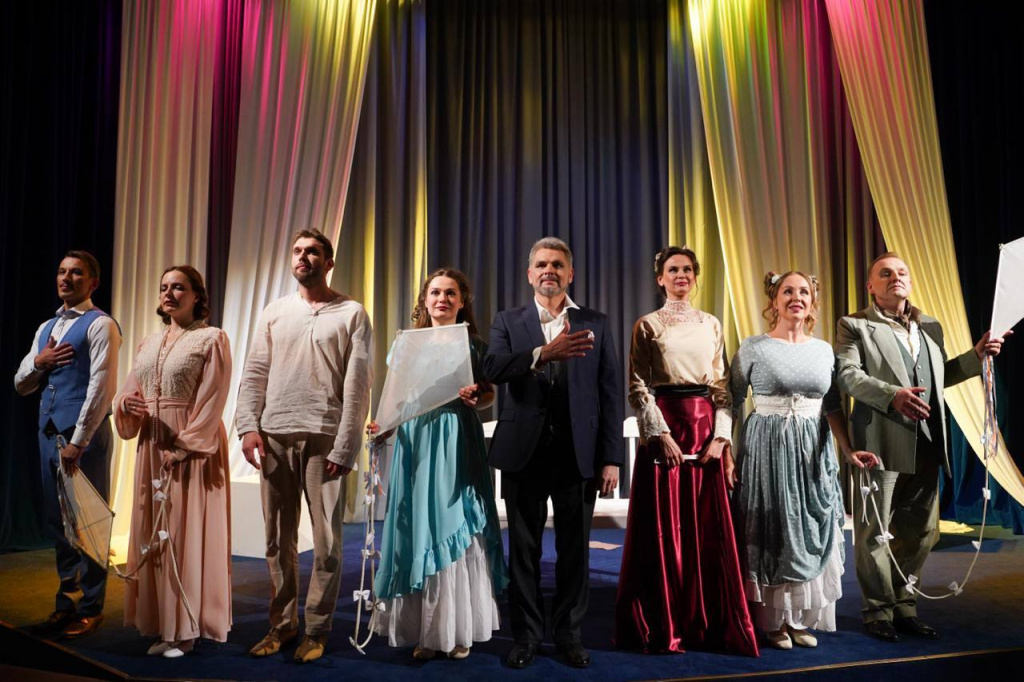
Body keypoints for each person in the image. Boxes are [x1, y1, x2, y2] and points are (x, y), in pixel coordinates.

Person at [835, 252, 1006, 643]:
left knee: (921, 532)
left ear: (910, 282)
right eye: (885, 273)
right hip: (879, 443)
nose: (895, 277)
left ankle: (904, 606)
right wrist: (891, 395)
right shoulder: (854, 325)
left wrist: (975, 356)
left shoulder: (930, 325)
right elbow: (847, 375)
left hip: (927, 441)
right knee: (875, 532)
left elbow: (938, 377)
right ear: (871, 285)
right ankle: (878, 611)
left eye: (901, 273)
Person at [484, 237, 623, 670]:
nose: (549, 270)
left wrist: (611, 457)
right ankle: (526, 636)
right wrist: (543, 354)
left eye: (558, 265)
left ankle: (568, 636)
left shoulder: (595, 322)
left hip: (578, 455)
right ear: (530, 274)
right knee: (524, 552)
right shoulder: (508, 321)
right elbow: (493, 368)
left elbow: (610, 393)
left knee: (574, 552)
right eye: (542, 264)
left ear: (570, 274)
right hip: (523, 454)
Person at [236, 229, 373, 663]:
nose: (303, 257)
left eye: (312, 251)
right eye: (297, 251)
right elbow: (254, 371)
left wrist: (345, 446)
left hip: (324, 437)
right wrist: (247, 426)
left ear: (328, 262)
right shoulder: (275, 311)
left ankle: (316, 630)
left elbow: (358, 385)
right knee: (277, 540)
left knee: (327, 541)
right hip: (274, 434)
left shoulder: (352, 312)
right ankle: (281, 625)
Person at [615, 246, 758, 657]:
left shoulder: (711, 323)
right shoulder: (647, 325)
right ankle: (667, 620)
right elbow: (638, 386)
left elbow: (722, 388)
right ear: (659, 278)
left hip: (704, 429)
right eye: (673, 269)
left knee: (707, 527)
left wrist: (721, 438)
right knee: (665, 528)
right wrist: (660, 434)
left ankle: (708, 622)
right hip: (667, 428)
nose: (682, 275)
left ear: (695, 277)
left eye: (688, 270)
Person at [732, 271, 878, 651]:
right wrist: (728, 454)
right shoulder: (754, 347)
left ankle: (798, 618)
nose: (796, 297)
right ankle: (773, 621)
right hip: (768, 448)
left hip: (813, 449)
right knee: (776, 528)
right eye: (788, 291)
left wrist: (847, 450)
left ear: (812, 302)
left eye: (803, 292)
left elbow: (832, 406)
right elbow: (731, 401)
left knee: (809, 526)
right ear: (774, 300)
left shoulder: (824, 350)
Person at [369, 268, 508, 660]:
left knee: (453, 521)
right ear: (425, 300)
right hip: (415, 439)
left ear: (462, 302)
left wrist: (477, 398)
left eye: (450, 293)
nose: (442, 299)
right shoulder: (405, 345)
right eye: (435, 292)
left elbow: (488, 396)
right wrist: (382, 425)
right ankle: (424, 631)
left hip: (454, 437)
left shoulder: (474, 345)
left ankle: (456, 628)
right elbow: (396, 396)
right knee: (417, 525)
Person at [114, 266, 232, 658]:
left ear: (197, 295)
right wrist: (126, 405)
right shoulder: (148, 343)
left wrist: (184, 446)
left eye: (178, 287)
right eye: (164, 286)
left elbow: (213, 397)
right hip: (151, 442)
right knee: (153, 526)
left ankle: (185, 629)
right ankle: (159, 621)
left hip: (189, 445)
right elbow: (129, 392)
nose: (169, 293)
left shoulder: (211, 338)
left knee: (182, 531)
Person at [15, 250, 121, 639]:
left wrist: (79, 441)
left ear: (93, 282)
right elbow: (21, 384)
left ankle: (92, 607)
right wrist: (39, 362)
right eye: (62, 271)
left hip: (82, 437)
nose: (66, 278)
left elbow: (101, 387)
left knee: (88, 522)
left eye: (76, 273)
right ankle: (67, 601)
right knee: (58, 523)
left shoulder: (101, 324)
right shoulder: (46, 326)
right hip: (48, 432)